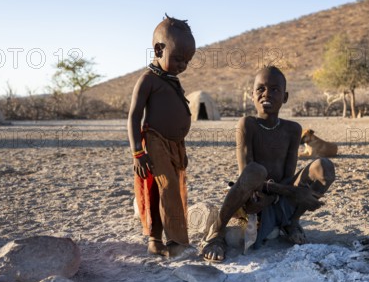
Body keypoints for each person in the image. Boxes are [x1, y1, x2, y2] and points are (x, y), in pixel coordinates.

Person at [202, 66, 335, 262]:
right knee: (256, 170)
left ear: (285, 96)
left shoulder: (292, 129)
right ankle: (218, 232)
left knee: (324, 166)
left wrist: (279, 195)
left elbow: (289, 176)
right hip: (252, 198)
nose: (267, 94)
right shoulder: (247, 124)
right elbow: (247, 174)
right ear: (252, 95)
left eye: (274, 89)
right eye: (260, 89)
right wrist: (291, 192)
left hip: (279, 196)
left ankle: (292, 222)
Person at [127, 15, 196, 257]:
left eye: (187, 61)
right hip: (154, 141)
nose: (182, 65)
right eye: (178, 58)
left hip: (174, 144)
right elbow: (134, 117)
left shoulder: (170, 79)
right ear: (158, 49)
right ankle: (177, 243)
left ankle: (155, 240)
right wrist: (138, 152)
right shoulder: (148, 80)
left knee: (162, 191)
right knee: (168, 189)